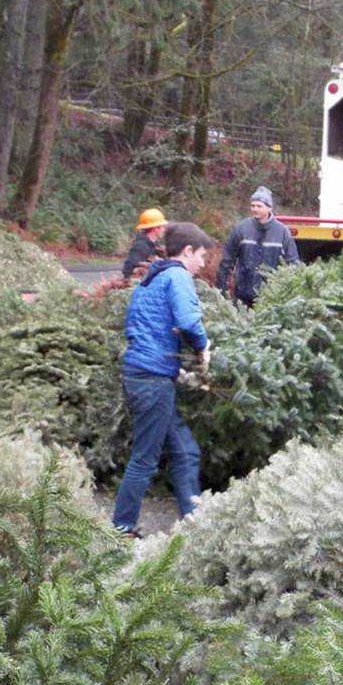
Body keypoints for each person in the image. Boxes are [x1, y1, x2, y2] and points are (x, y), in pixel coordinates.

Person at [112, 221, 212, 537]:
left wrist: (174, 365)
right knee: (145, 458)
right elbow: (187, 320)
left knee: (185, 449)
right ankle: (120, 528)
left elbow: (143, 325)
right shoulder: (178, 276)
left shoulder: (151, 279)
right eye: (202, 256)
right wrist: (203, 347)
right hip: (152, 380)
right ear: (187, 251)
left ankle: (192, 521)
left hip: (146, 375)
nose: (203, 264)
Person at [216, 185, 300, 307]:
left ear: (269, 208)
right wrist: (221, 290)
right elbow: (227, 261)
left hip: (271, 298)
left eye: (259, 206)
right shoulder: (241, 229)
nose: (255, 209)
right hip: (243, 295)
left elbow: (293, 263)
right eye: (253, 206)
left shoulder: (282, 232)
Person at [122, 208, 168, 279]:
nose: (164, 230)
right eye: (163, 227)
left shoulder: (155, 244)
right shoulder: (141, 245)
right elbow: (128, 269)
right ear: (156, 228)